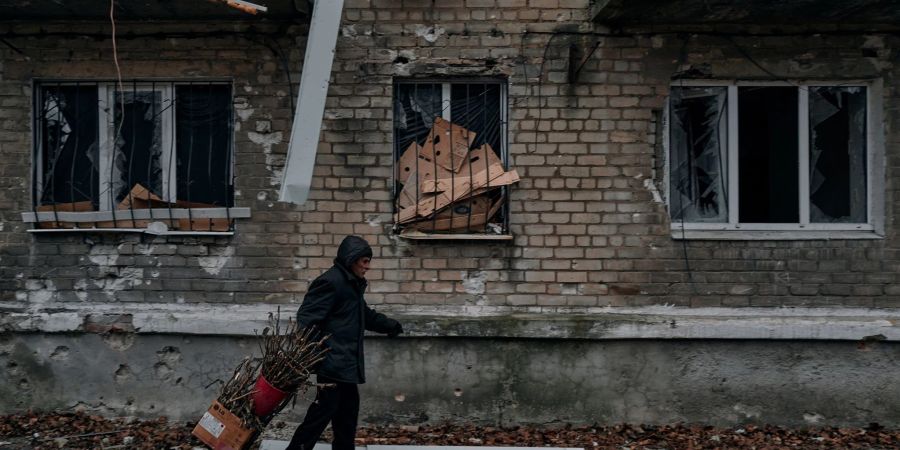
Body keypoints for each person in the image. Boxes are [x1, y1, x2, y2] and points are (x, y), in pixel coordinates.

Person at [287, 235, 403, 450]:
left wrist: (390, 325)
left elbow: (364, 315)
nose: (368, 267)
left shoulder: (350, 284)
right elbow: (307, 319)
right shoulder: (331, 282)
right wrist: (320, 353)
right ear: (352, 259)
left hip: (345, 364)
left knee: (347, 415)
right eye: (365, 261)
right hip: (333, 364)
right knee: (321, 415)